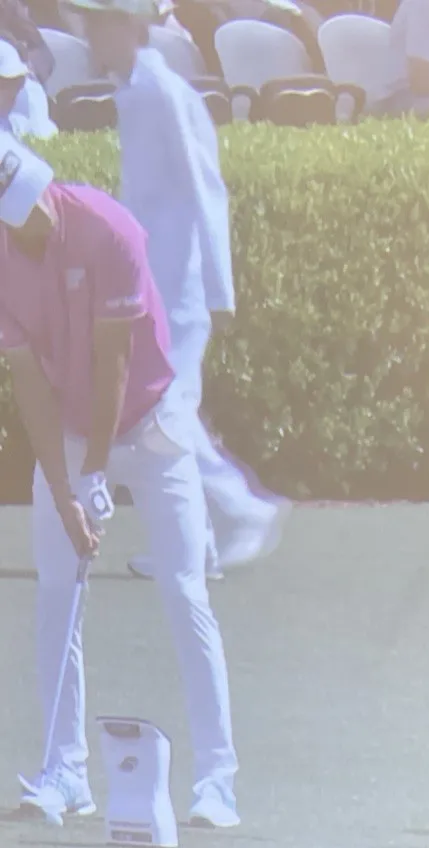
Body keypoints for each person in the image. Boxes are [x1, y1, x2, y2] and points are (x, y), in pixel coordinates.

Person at [0, 138, 241, 826]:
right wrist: (65, 492)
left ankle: (218, 781)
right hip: (72, 428)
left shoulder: (110, 229)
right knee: (57, 591)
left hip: (154, 424)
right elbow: (29, 386)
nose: (34, 217)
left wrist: (97, 474)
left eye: (33, 199)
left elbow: (114, 365)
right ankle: (66, 772)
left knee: (184, 589)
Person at [72, 0, 285, 584]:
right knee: (164, 415)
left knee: (167, 414)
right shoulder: (136, 92)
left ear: (126, 28)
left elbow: (203, 185)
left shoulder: (162, 92)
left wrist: (218, 287)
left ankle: (241, 512)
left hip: (180, 290)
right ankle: (200, 546)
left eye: (98, 24)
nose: (89, 36)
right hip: (151, 286)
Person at [0, 36, 54, 136]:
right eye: (5, 84)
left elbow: (42, 133)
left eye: (18, 82)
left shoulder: (31, 94)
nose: (13, 92)